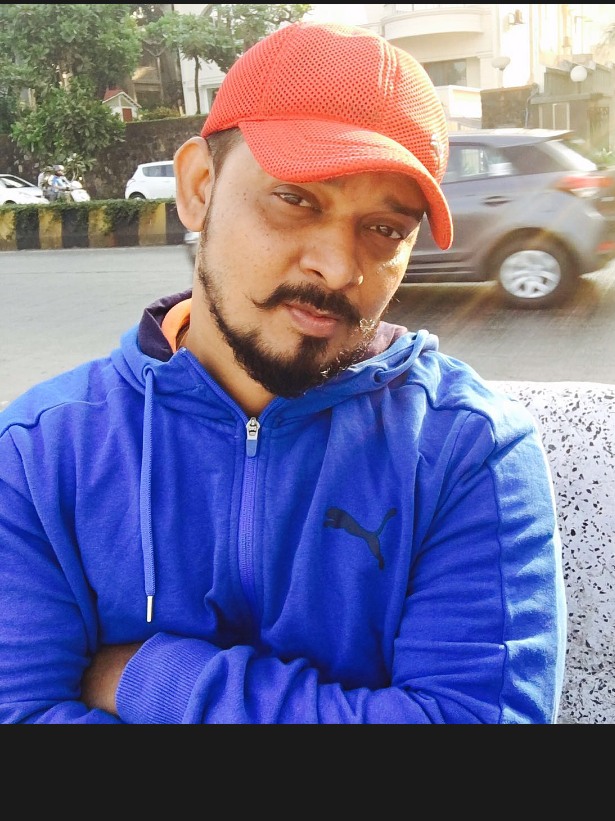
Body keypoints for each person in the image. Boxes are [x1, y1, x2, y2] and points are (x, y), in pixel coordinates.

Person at [0, 22, 566, 724]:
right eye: (296, 200)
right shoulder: (38, 455)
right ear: (199, 187)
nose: (337, 266)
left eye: (385, 229)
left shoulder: (466, 450)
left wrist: (157, 678)